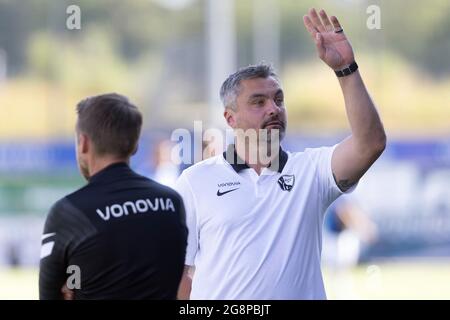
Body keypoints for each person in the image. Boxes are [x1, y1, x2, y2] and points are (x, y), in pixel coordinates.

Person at [175, 8, 386, 299]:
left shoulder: (312, 171)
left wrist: (345, 69)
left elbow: (370, 143)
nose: (273, 108)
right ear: (230, 118)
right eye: (258, 102)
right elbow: (181, 274)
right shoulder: (195, 181)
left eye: (278, 99)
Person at [39, 93, 187, 299]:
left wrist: (75, 284)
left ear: (83, 143)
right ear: (134, 146)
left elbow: (50, 294)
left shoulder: (69, 212)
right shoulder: (172, 202)